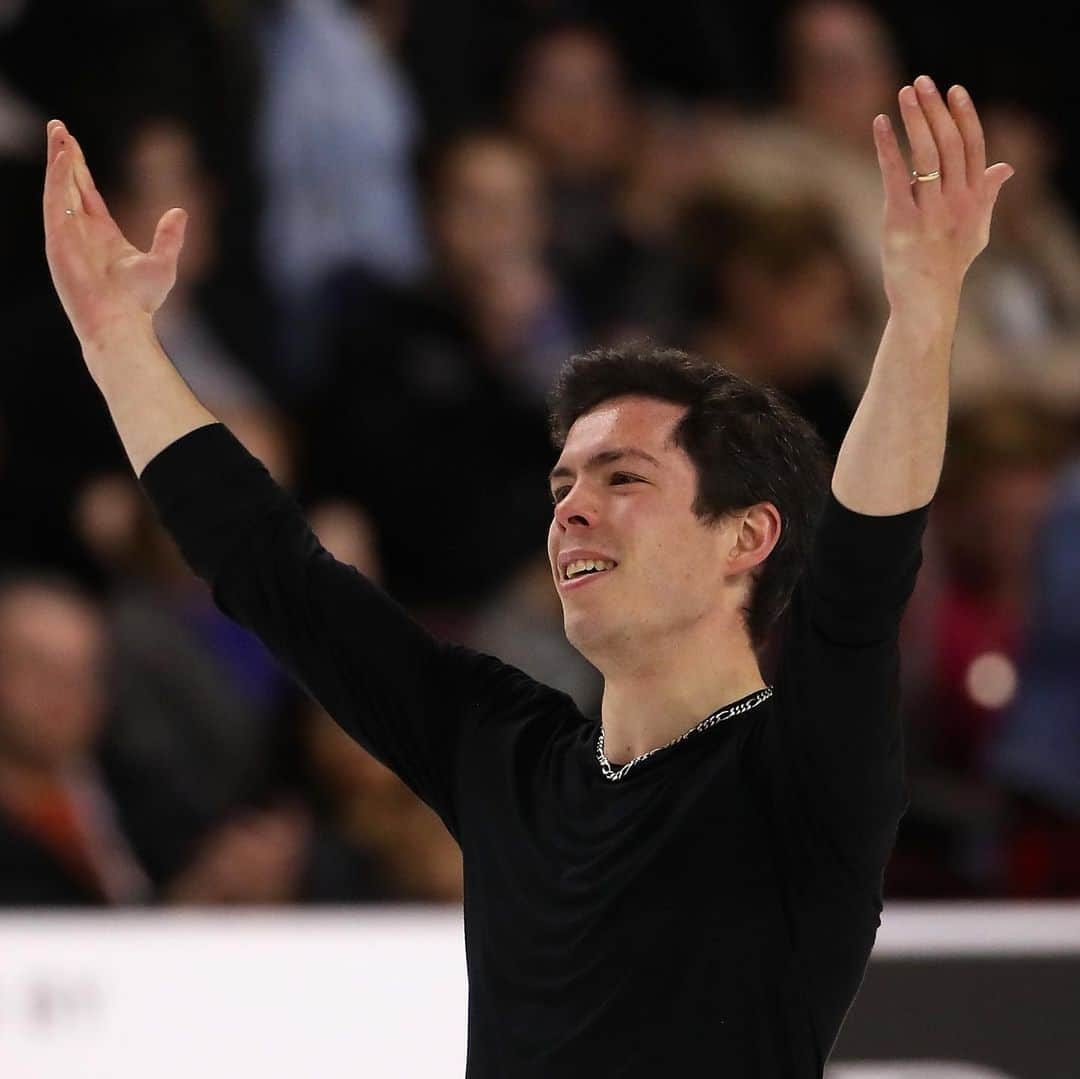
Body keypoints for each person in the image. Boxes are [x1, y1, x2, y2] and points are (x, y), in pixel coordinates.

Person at [41, 71, 1013, 1076]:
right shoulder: (505, 750)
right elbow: (274, 574)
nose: (572, 506)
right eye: (562, 483)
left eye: (623, 475)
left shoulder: (802, 771)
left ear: (747, 536)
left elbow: (859, 573)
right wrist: (118, 343)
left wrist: (924, 313)